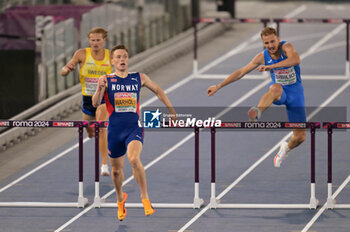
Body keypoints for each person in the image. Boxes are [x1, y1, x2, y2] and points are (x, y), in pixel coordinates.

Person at [92, 44, 176, 221]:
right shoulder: (106, 80)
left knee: (134, 159)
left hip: (133, 128)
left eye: (125, 56)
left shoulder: (139, 77)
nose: (122, 59)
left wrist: (171, 109)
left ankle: (145, 198)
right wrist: (99, 88)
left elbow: (158, 90)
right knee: (116, 171)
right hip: (114, 131)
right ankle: (120, 198)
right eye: (119, 57)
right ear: (113, 61)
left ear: (128, 60)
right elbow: (95, 103)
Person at [207, 27, 306, 168]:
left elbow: (295, 60)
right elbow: (241, 72)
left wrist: (272, 67)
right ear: (263, 44)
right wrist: (218, 86)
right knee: (275, 88)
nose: (270, 46)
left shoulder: (286, 47)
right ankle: (257, 113)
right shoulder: (262, 57)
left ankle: (286, 148)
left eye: (272, 41)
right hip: (280, 92)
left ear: (278, 39)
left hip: (295, 94)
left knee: (300, 137)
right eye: (266, 43)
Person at [61, 27, 111, 176]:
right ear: (89, 40)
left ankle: (104, 165)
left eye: (98, 40)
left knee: (101, 128)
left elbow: (121, 70)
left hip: (103, 98)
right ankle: (92, 132)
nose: (95, 43)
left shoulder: (110, 55)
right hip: (87, 99)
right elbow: (65, 69)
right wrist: (66, 70)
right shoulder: (81, 54)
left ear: (104, 41)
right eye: (92, 40)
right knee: (89, 131)